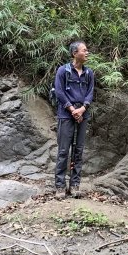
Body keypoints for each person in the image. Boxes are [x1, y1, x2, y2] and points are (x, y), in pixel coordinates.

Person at [53, 41, 94, 197]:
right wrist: (72, 109)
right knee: (63, 150)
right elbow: (59, 91)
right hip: (66, 114)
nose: (87, 52)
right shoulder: (63, 71)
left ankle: (75, 185)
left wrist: (82, 109)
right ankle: (60, 186)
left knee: (79, 151)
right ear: (74, 53)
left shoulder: (89, 73)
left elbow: (90, 92)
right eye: (84, 50)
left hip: (82, 114)